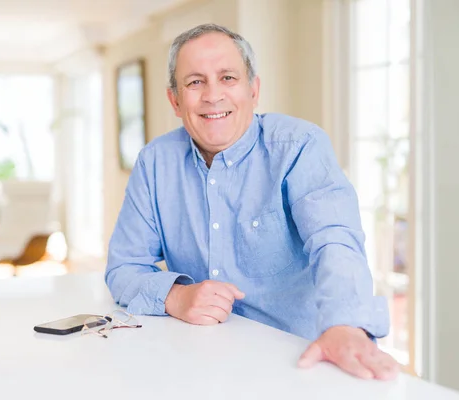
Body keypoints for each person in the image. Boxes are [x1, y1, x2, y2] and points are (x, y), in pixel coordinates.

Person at [106, 23, 398, 380]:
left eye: (228, 77)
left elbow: (335, 240)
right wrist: (175, 296)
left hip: (299, 365)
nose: (213, 95)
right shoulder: (155, 163)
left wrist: (346, 324)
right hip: (196, 365)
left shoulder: (299, 147)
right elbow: (123, 268)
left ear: (253, 89)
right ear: (175, 101)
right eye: (195, 82)